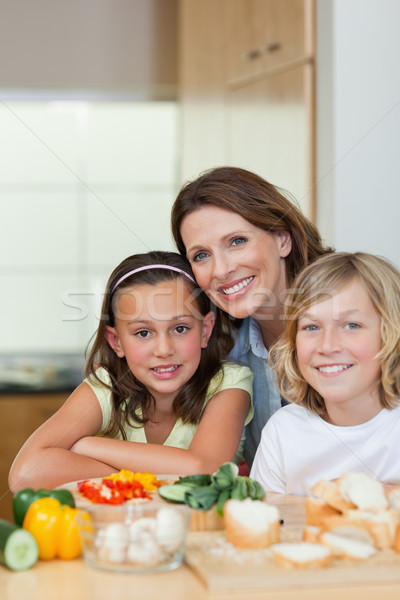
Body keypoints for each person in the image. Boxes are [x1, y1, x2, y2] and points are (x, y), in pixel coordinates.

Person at [9, 251, 253, 491]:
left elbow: (203, 470)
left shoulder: (228, 385)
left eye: (180, 328)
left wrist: (87, 446)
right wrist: (141, 482)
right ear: (116, 342)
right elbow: (25, 473)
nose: (163, 350)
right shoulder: (106, 387)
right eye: (143, 333)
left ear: (205, 330)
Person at [171, 166, 333, 468]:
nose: (220, 270)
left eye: (237, 241)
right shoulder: (220, 349)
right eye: (201, 255)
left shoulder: (355, 325)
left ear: (283, 240)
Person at [250, 252, 400, 495]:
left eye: (352, 325)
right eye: (311, 327)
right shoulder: (283, 430)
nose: (327, 346)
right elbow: (267, 526)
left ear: (392, 334)